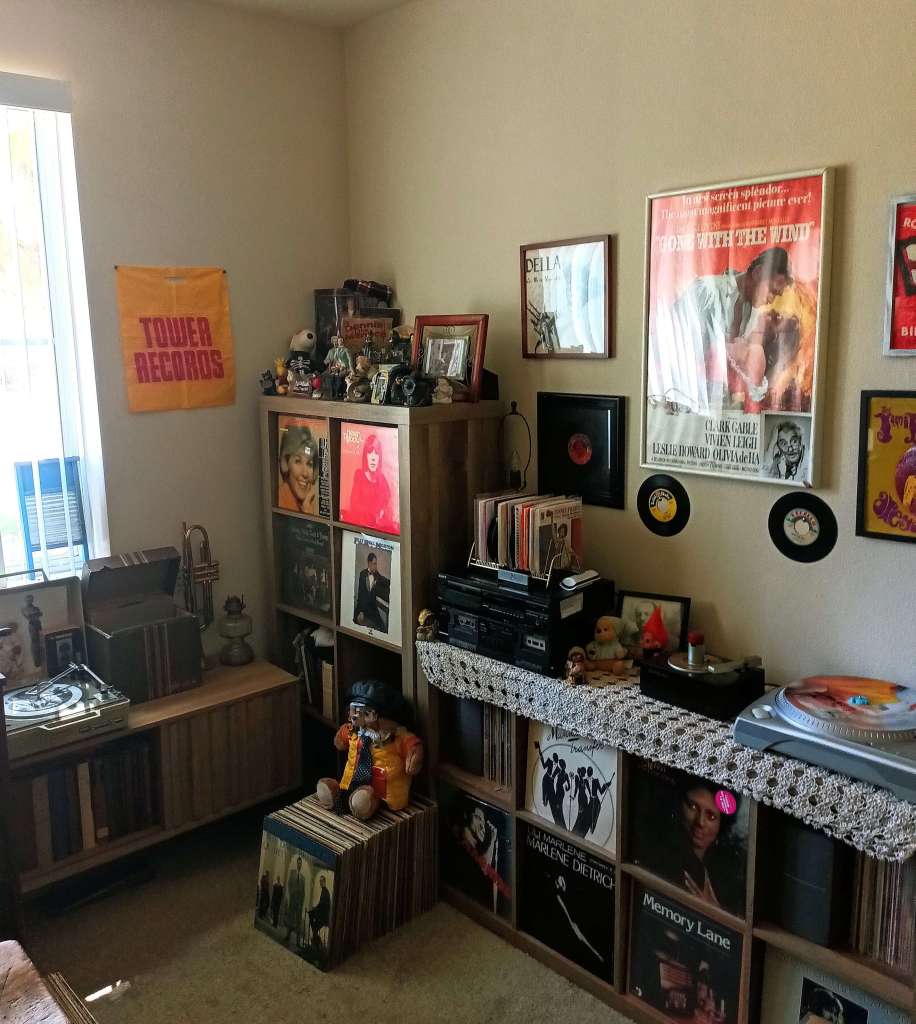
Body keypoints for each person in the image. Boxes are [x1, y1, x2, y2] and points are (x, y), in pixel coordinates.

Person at [663, 247, 793, 413]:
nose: (771, 300)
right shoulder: (707, 289)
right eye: (772, 291)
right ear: (758, 273)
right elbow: (670, 339)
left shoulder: (752, 313)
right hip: (681, 398)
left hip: (715, 407)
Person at [644, 778, 744, 913]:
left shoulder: (727, 877)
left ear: (722, 826)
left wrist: (716, 912)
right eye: (693, 807)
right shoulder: (662, 857)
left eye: (711, 816)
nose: (700, 822)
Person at [347, 433, 395, 531]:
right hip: (361, 529)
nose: (373, 458)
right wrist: (375, 512)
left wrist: (382, 512)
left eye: (376, 453)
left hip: (379, 531)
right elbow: (354, 506)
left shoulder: (382, 479)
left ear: (379, 458)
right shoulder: (359, 475)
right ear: (365, 456)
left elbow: (388, 508)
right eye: (370, 453)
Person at [277, 425, 319, 514]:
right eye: (298, 461)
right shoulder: (280, 500)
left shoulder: (305, 504)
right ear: (286, 463)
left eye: (309, 464)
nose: (305, 473)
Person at [354, 551, 390, 631]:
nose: (376, 566)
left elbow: (385, 581)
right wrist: (361, 611)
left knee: (383, 628)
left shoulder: (376, 574)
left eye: (376, 564)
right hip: (363, 608)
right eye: (374, 564)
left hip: (373, 609)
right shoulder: (362, 574)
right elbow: (361, 595)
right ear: (369, 563)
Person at [284, 856, 306, 948]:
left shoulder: (303, 878)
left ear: (301, 865)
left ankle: (297, 942)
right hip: (293, 899)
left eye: (300, 863)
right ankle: (288, 936)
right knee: (290, 918)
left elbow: (304, 892)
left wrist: (301, 903)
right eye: (298, 863)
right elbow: (289, 884)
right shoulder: (292, 873)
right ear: (296, 863)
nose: (299, 864)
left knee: (298, 922)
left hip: (299, 903)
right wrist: (291, 893)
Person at [307, 875, 331, 949]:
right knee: (314, 929)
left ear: (324, 882)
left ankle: (318, 943)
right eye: (320, 881)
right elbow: (321, 904)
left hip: (323, 917)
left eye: (321, 881)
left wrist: (315, 909)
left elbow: (323, 905)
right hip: (321, 915)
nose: (320, 883)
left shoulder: (325, 892)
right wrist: (315, 908)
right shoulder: (324, 891)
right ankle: (317, 943)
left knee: (312, 917)